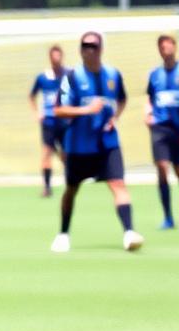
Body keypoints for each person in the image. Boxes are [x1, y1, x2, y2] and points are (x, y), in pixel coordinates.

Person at [50, 31, 143, 253]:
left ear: (101, 49)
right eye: (85, 46)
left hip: (107, 144)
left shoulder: (113, 75)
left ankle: (129, 232)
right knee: (71, 190)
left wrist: (115, 117)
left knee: (118, 184)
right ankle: (63, 234)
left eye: (93, 46)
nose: (89, 50)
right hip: (79, 146)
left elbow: (122, 99)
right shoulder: (71, 78)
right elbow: (58, 109)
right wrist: (86, 110)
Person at [145, 35, 179, 229]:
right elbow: (150, 98)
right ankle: (167, 216)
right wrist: (147, 113)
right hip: (159, 128)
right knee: (161, 166)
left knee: (178, 169)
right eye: (161, 48)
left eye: (167, 47)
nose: (164, 50)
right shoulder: (154, 75)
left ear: (174, 48)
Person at [29, 45, 67, 197]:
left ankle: (70, 182)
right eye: (53, 57)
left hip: (64, 121)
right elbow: (32, 96)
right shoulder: (43, 77)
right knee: (46, 153)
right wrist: (37, 113)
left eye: (58, 56)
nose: (56, 60)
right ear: (50, 58)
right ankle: (47, 186)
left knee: (66, 153)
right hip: (49, 122)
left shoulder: (68, 75)